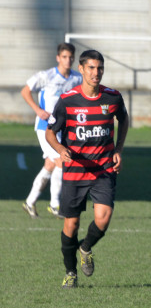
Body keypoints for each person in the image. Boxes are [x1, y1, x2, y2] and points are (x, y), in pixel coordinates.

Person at [46, 49, 129, 289]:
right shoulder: (68, 100)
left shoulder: (113, 97)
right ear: (81, 69)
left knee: (103, 219)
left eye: (100, 68)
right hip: (75, 172)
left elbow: (123, 120)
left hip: (103, 169)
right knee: (71, 225)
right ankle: (70, 272)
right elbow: (50, 131)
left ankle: (86, 247)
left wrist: (118, 150)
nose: (96, 73)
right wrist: (61, 150)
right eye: (91, 68)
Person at [21, 43, 83, 218]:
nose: (68, 60)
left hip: (63, 129)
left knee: (50, 164)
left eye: (70, 57)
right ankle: (55, 204)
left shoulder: (77, 79)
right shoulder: (46, 76)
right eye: (64, 57)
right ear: (58, 58)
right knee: (62, 162)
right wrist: (37, 110)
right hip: (45, 128)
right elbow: (25, 91)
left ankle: (30, 202)